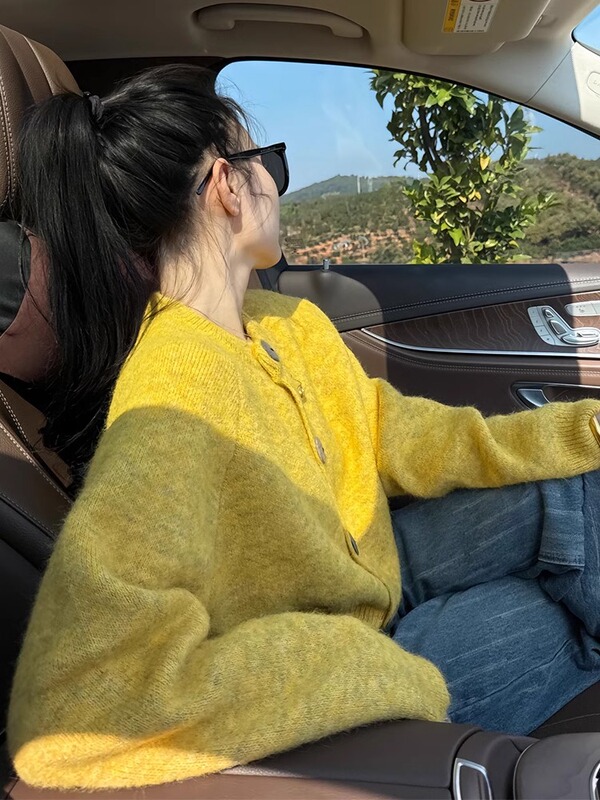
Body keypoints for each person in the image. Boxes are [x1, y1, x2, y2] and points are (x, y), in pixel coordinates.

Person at [7, 64, 600, 791]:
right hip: (338, 662)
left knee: (579, 485)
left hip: (375, 571)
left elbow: (391, 432)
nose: (278, 186)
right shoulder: (170, 402)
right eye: (271, 164)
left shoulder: (285, 322)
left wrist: (584, 430)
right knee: (558, 617)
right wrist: (363, 669)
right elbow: (83, 708)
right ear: (227, 186)